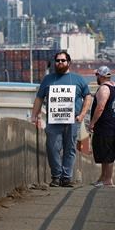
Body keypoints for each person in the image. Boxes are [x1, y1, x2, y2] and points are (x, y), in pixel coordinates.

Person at [31, 51, 92, 188]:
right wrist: (34, 115)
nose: (60, 63)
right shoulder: (48, 79)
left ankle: (66, 177)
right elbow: (39, 97)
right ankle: (56, 176)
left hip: (72, 120)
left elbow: (87, 96)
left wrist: (82, 114)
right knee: (52, 147)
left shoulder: (78, 79)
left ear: (68, 62)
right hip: (54, 120)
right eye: (57, 61)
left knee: (70, 148)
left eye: (63, 60)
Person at [89, 65, 115, 187]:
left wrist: (92, 123)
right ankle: (103, 178)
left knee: (106, 154)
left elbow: (100, 107)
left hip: (104, 127)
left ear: (101, 76)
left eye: (97, 75)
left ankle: (108, 180)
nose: (96, 77)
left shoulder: (103, 89)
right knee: (107, 154)